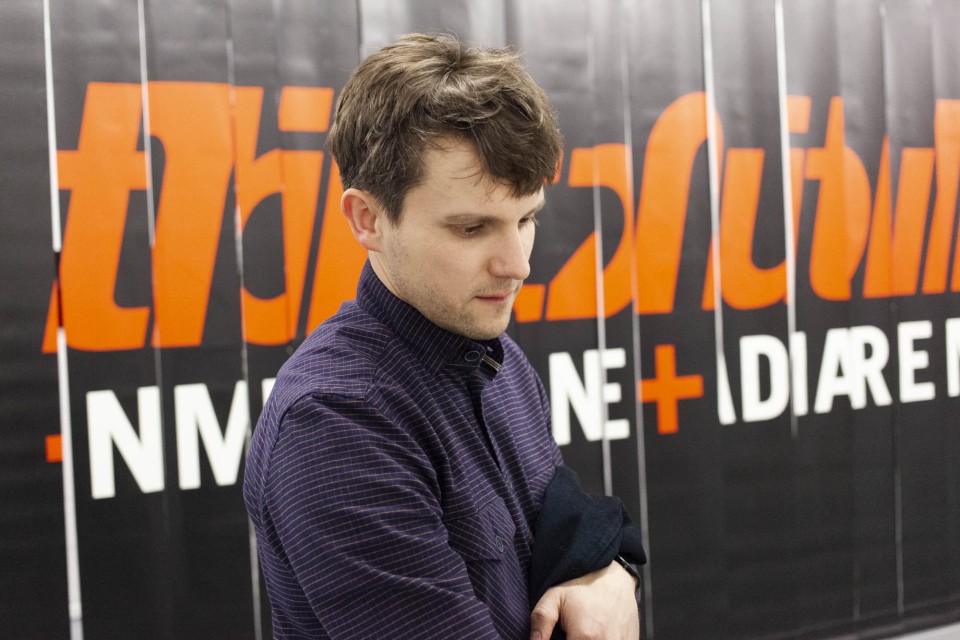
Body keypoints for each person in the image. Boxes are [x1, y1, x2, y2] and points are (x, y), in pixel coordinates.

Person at [243, 33, 644, 640]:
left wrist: (609, 572)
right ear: (368, 219)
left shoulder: (502, 362)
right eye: (471, 228)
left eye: (526, 218)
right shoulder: (335, 422)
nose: (518, 265)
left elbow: (567, 536)